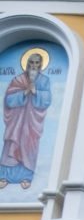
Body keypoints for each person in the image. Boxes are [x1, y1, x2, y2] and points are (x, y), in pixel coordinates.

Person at [3, 48, 53, 188]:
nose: (33, 65)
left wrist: (35, 91)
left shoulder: (44, 81)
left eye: (37, 63)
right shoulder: (18, 79)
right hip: (16, 121)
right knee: (11, 145)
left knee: (29, 146)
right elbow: (8, 100)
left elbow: (47, 100)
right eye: (31, 62)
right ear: (26, 64)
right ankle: (5, 176)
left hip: (32, 123)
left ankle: (26, 177)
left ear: (41, 65)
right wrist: (24, 92)